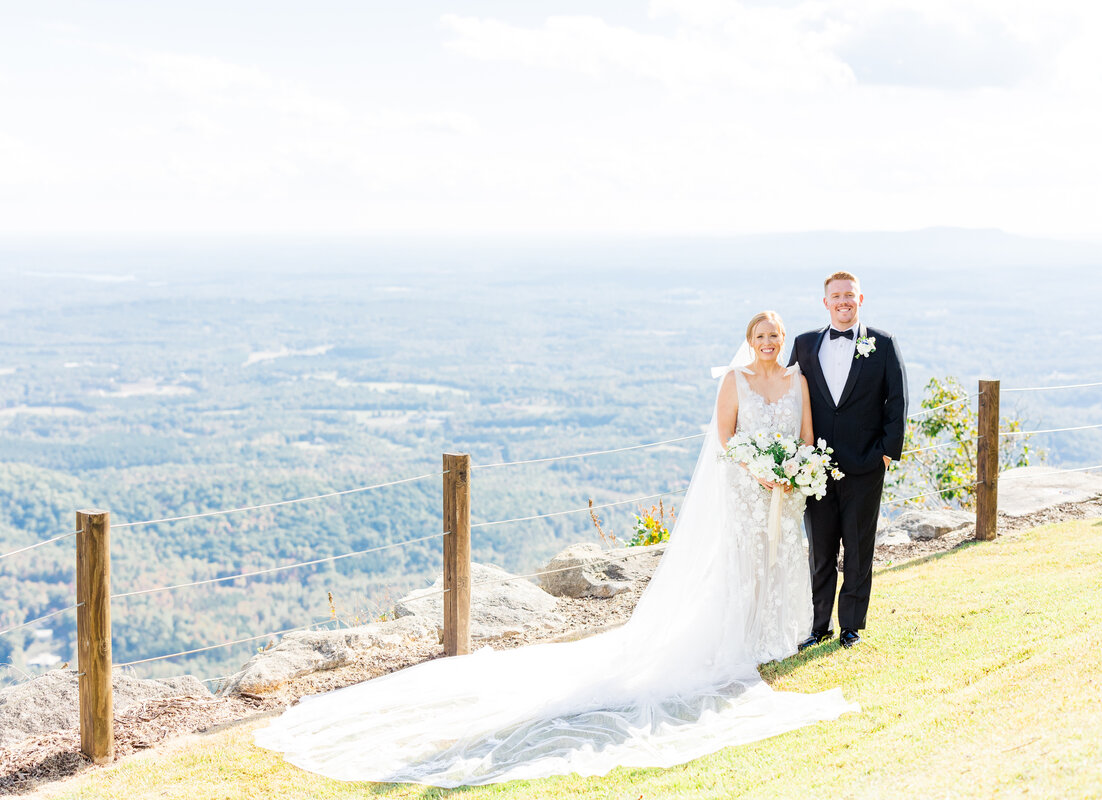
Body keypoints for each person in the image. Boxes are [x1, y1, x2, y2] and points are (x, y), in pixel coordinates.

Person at [254, 311, 856, 787]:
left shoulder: (796, 379)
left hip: (784, 493)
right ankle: (738, 642)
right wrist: (757, 470)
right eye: (761, 334)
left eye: (776, 334)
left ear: (784, 340)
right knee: (738, 568)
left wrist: (794, 471)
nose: (771, 341)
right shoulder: (736, 380)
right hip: (743, 492)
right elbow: (725, 441)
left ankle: (775, 637)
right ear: (748, 339)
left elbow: (804, 436)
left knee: (778, 563)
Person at [789, 272, 907, 650]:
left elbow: (896, 401)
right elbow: (790, 399)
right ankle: (818, 626)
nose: (843, 302)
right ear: (825, 302)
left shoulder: (884, 343)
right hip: (815, 470)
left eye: (849, 296)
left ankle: (851, 626)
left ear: (860, 299)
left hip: (865, 465)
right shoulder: (805, 344)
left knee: (858, 549)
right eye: (836, 296)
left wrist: (887, 452)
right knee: (821, 552)